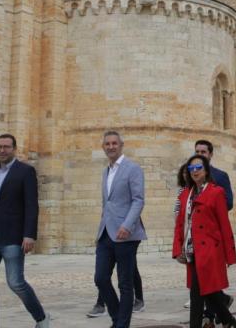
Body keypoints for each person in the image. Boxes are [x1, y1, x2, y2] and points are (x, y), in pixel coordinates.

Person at [0, 134, 51, 328]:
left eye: (6, 147)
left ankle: (42, 318)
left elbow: (32, 206)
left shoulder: (25, 172)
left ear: (14, 149)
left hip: (13, 238)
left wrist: (29, 234)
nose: (2, 150)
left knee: (16, 283)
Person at [173, 154, 236, 328]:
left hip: (210, 250)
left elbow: (224, 225)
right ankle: (229, 321)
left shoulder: (216, 192)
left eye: (198, 168)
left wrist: (229, 254)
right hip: (190, 249)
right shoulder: (185, 194)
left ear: (206, 170)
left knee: (197, 293)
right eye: (191, 168)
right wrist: (177, 249)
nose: (195, 171)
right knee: (208, 290)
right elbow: (179, 223)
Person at [94, 131, 147, 328]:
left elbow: (138, 200)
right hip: (106, 234)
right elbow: (106, 204)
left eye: (114, 143)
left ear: (121, 145)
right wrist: (100, 231)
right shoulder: (105, 171)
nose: (111, 146)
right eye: (107, 143)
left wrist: (127, 225)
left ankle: (121, 325)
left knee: (125, 283)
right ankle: (118, 320)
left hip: (127, 234)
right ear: (103, 147)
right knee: (100, 278)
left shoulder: (132, 169)